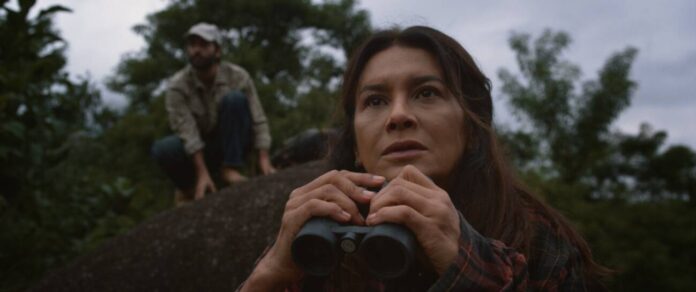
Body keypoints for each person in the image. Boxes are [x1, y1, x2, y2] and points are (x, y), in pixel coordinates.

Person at [239, 26, 608, 291]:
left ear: (471, 126)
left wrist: (467, 262)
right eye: (375, 101)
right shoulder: (321, 238)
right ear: (354, 145)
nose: (398, 116)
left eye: (426, 93)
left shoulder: (538, 241)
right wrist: (270, 272)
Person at [152, 22, 275, 205]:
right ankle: (190, 188)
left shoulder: (238, 76)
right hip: (201, 149)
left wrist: (264, 159)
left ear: (217, 50)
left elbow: (258, 118)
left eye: (203, 45)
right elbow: (188, 133)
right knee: (163, 149)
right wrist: (202, 172)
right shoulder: (177, 86)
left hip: (234, 142)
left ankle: (230, 169)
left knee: (234, 99)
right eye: (192, 45)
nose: (196, 50)